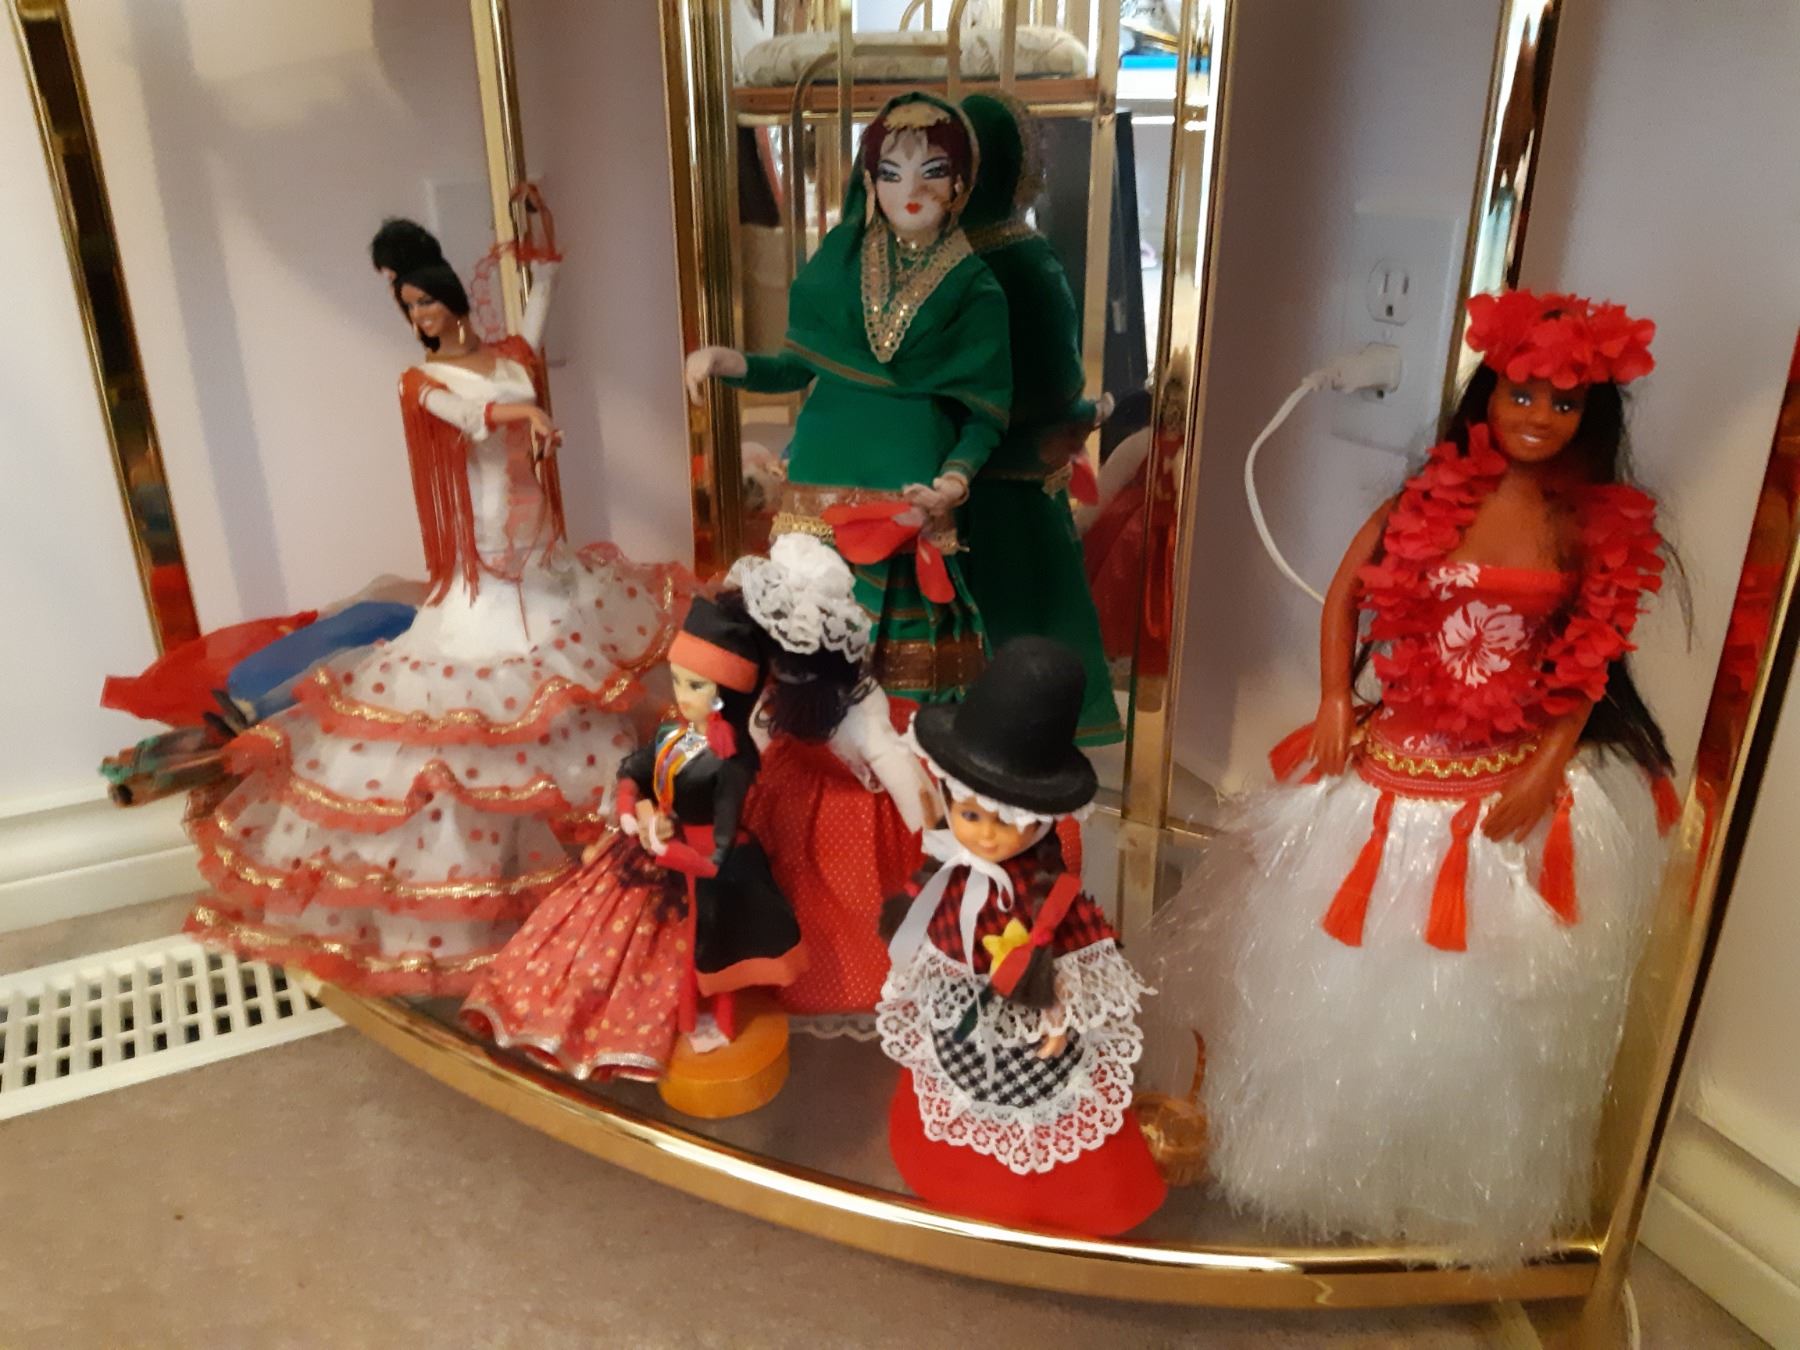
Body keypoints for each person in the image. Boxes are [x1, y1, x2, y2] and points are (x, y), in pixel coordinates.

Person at [1146, 289, 1675, 1263]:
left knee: (1477, 1005)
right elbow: (1349, 590)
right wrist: (1334, 698)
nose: (1538, 416)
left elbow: (1591, 655)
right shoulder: (1433, 497)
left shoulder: (1585, 526)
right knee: (1335, 979)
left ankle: (1426, 1184)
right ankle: (1317, 1161)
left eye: (1563, 403)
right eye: (1521, 393)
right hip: (1396, 761)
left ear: (1591, 414)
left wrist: (1548, 763)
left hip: (1500, 775)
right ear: (1488, 394)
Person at [186, 188, 688, 995]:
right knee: (492, 716)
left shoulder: (507, 356)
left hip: (541, 546)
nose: (421, 316)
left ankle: (605, 875)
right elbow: (474, 415)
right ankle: (506, 896)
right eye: (409, 306)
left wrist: (542, 254)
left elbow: (533, 322)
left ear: (451, 296)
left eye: (426, 300)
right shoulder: (422, 381)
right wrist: (526, 413)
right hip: (485, 551)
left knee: (579, 694)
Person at [685, 92, 1011, 704]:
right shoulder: (839, 261)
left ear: (960, 183)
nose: (909, 189)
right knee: (805, 657)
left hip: (904, 502)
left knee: (898, 671)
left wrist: (954, 482)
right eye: (890, 172)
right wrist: (733, 363)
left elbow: (985, 416)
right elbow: (794, 369)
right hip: (815, 492)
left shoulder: (976, 288)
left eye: (932, 170)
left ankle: (895, 762)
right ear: (869, 180)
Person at [878, 639, 1165, 1235]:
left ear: (1043, 821)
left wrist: (1059, 1016)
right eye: (971, 816)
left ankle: (1045, 1206)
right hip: (961, 1008)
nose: (986, 838)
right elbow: (923, 929)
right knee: (950, 1079)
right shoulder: (949, 874)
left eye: (1008, 823)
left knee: (1041, 1106)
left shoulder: (1046, 890)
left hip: (1028, 1025)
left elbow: (1071, 951)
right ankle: (948, 1181)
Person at [462, 595, 806, 1079]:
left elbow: (723, 839)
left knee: (703, 958)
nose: (682, 695)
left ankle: (697, 1025)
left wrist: (670, 846)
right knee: (584, 938)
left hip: (700, 866)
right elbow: (634, 769)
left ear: (725, 695)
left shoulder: (732, 760)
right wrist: (633, 808)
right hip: (645, 850)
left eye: (696, 686)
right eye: (679, 680)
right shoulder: (674, 733)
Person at [957, 92, 1121, 744]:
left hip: (942, 476)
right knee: (1030, 632)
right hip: (1017, 484)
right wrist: (1091, 411)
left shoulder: (931, 258)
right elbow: (1058, 383)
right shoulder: (1028, 260)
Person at [733, 535, 936, 1019]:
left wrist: (933, 831)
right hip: (795, 785)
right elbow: (756, 736)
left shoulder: (857, 709)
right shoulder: (785, 695)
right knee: (795, 886)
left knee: (838, 899)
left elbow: (893, 764)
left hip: (845, 808)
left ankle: (839, 980)